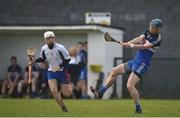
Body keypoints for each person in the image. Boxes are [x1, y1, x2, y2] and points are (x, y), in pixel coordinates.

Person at [90, 18, 163, 113]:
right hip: (135, 61)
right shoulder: (147, 32)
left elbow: (145, 46)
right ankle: (101, 93)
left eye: (153, 27)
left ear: (158, 29)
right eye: (151, 26)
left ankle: (138, 108)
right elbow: (139, 38)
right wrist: (129, 42)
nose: (151, 28)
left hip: (142, 64)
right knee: (114, 71)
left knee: (129, 86)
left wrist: (131, 46)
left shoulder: (157, 38)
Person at [32, 31, 76, 112]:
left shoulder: (60, 47)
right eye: (48, 38)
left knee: (67, 94)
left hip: (62, 71)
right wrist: (34, 60)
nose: (50, 39)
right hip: (51, 71)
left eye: (52, 37)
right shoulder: (44, 48)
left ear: (54, 38)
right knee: (53, 91)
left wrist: (59, 66)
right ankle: (63, 107)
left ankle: (71, 85)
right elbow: (42, 58)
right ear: (45, 40)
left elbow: (68, 59)